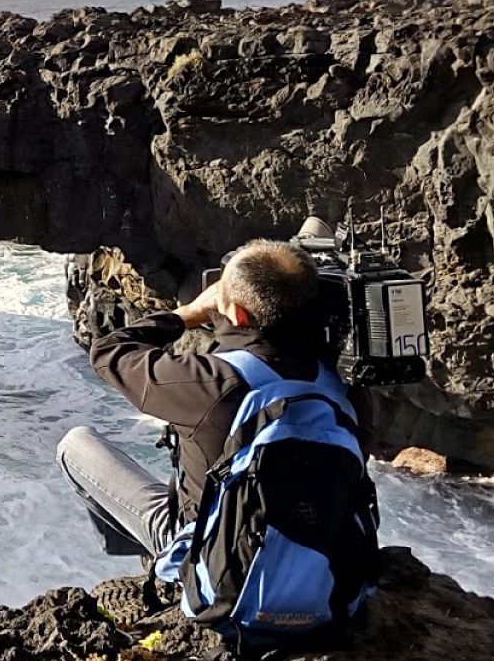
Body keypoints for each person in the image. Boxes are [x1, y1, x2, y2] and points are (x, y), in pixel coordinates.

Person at [57, 239, 370, 561]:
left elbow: (109, 352)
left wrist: (188, 314)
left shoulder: (212, 383)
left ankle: (163, 565)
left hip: (218, 562)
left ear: (235, 313)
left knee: (75, 444)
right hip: (327, 563)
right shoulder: (340, 382)